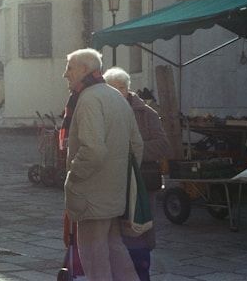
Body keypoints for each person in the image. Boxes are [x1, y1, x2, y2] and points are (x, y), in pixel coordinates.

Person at [61, 48, 143, 281]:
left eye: (69, 68)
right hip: (113, 191)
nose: (65, 74)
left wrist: (73, 175)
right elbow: (136, 146)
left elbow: (94, 150)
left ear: (85, 70)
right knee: (115, 249)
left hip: (92, 194)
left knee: (95, 258)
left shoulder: (88, 99)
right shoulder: (115, 95)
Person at [104, 67, 171, 281]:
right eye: (112, 89)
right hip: (112, 182)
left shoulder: (146, 113)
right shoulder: (102, 112)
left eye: (121, 88)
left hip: (141, 181)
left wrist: (131, 151)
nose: (118, 92)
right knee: (115, 235)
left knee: (138, 230)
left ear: (128, 89)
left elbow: (162, 145)